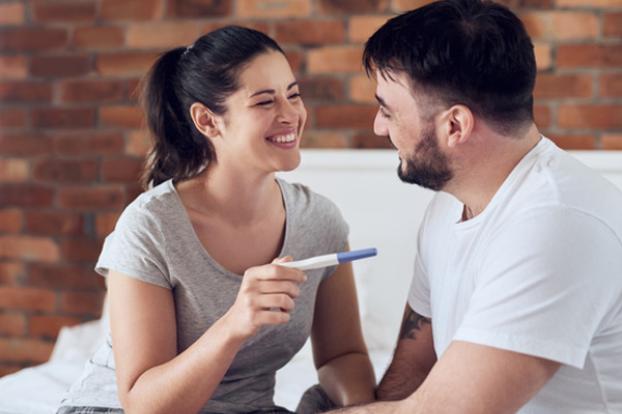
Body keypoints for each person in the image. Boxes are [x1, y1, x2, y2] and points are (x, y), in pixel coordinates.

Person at [57, 26, 375, 414]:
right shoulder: (151, 227)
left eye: (293, 95)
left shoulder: (319, 222)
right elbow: (144, 404)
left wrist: (361, 409)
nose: (291, 114)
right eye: (264, 102)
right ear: (208, 121)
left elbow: (342, 356)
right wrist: (235, 323)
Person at [331, 0, 622, 413]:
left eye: (387, 110)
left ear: (455, 126)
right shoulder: (449, 205)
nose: (379, 127)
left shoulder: (558, 224)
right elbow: (408, 376)